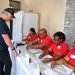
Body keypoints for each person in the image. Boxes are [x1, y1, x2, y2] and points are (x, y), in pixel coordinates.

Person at [0, 8, 18, 75]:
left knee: (1, 65)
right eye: (10, 17)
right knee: (8, 65)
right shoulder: (2, 23)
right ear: (6, 14)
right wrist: (13, 49)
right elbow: (6, 39)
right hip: (2, 49)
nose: (10, 19)